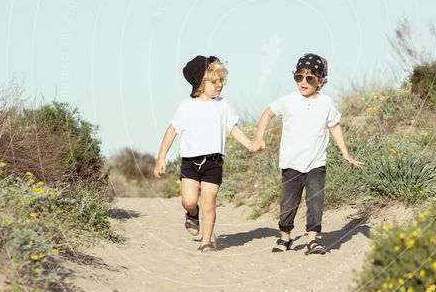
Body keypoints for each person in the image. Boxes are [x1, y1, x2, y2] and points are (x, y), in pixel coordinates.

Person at [251, 53, 363, 255]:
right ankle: (285, 237)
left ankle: (313, 239)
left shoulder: (326, 102)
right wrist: (259, 137)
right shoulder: (289, 100)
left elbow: (335, 127)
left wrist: (346, 154)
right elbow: (268, 112)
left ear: (320, 81)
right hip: (291, 162)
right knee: (288, 203)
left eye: (309, 78)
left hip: (316, 164)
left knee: (315, 201)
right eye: (299, 77)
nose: (303, 82)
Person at [154, 55, 253, 252]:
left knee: (209, 201)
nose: (219, 85)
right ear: (200, 83)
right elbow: (172, 130)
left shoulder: (223, 105)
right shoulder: (186, 107)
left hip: (214, 162)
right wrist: (161, 157)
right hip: (191, 162)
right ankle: (192, 214)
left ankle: (206, 241)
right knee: (189, 201)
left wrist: (249, 144)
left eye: (222, 80)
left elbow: (233, 128)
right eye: (214, 81)